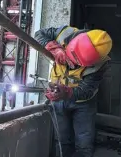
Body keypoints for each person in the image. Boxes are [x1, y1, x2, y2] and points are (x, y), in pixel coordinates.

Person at [34, 25, 112, 157]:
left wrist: (67, 92)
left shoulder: (101, 64)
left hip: (83, 103)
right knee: (60, 139)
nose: (70, 63)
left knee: (84, 142)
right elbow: (38, 34)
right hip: (58, 96)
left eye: (75, 62)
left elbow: (86, 90)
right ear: (72, 44)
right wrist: (53, 47)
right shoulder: (65, 33)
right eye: (69, 57)